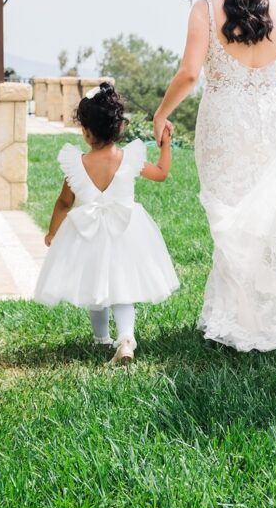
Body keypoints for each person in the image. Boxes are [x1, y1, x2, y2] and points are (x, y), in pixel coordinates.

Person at [153, 0, 276, 350]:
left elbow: (188, 73)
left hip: (224, 122)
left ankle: (236, 319)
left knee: (230, 211)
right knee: (264, 213)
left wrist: (161, 112)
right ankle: (254, 316)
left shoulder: (205, 10)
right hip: (273, 119)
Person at [33, 82, 179, 364]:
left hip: (87, 235)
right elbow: (161, 173)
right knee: (123, 288)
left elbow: (64, 203)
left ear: (86, 133)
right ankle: (126, 338)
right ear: (120, 128)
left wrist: (53, 232)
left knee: (94, 287)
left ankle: (101, 339)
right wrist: (166, 145)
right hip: (127, 231)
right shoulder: (130, 158)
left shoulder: (77, 164)